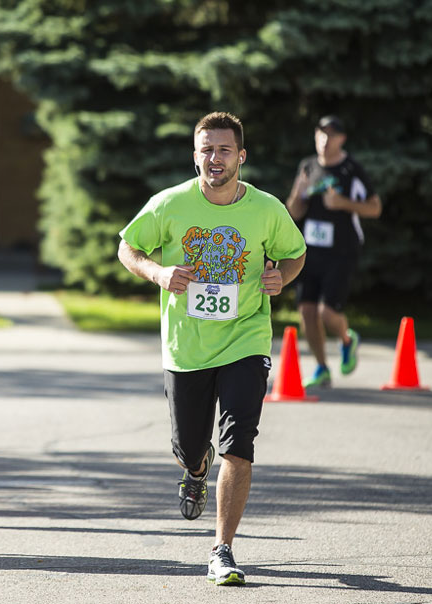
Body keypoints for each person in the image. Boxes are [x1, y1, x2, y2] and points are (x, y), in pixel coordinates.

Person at [118, 112, 306, 586]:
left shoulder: (266, 209)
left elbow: (295, 250)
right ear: (195, 154)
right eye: (206, 149)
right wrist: (159, 273)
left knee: (239, 446)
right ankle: (195, 469)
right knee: (189, 445)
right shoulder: (170, 204)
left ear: (240, 156)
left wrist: (280, 275)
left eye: (224, 150)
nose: (214, 158)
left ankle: (222, 549)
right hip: (187, 347)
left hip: (246, 337)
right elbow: (127, 247)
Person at [285, 115, 382, 388]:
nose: (325, 140)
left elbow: (375, 207)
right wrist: (298, 191)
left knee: (328, 313)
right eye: (321, 134)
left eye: (332, 135)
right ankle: (321, 368)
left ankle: (347, 340)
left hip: (342, 250)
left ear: (342, 139)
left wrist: (342, 203)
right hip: (309, 251)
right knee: (306, 312)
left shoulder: (351, 170)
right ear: (316, 136)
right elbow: (294, 211)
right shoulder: (307, 166)